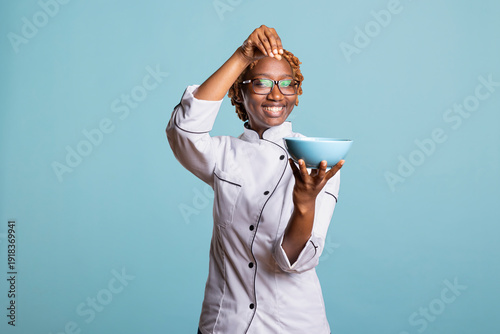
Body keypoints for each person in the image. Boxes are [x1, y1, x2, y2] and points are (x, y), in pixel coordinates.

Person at [166, 25, 344, 334]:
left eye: (287, 84)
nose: (276, 94)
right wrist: (242, 55)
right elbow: (183, 130)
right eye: (261, 83)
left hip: (293, 326)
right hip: (224, 323)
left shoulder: (315, 158)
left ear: (297, 94)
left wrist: (304, 204)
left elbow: (293, 262)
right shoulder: (224, 154)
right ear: (240, 92)